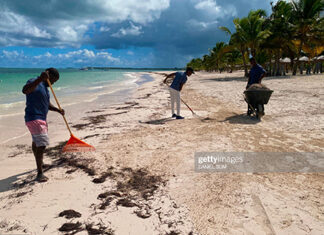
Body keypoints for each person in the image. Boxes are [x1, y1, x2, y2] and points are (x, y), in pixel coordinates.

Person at [22, 68, 64, 182]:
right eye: (53, 81)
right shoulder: (34, 81)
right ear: (48, 75)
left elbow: (47, 104)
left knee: (37, 142)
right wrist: (40, 79)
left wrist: (57, 110)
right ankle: (40, 173)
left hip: (40, 119)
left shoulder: (45, 88)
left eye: (54, 82)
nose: (53, 84)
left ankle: (40, 163)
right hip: (34, 118)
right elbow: (25, 90)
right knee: (42, 145)